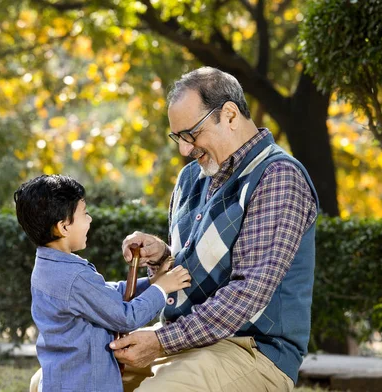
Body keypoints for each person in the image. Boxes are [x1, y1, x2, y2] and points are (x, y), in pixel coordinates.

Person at [110, 67, 319, 392]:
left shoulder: (278, 177)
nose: (184, 149)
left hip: (253, 351)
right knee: (59, 382)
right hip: (184, 347)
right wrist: (162, 256)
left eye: (191, 134)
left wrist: (160, 341)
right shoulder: (190, 178)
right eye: (178, 137)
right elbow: (191, 274)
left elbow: (247, 293)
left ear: (230, 114)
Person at [14, 174, 191, 392]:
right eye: (84, 213)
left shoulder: (49, 267)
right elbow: (126, 317)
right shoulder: (73, 276)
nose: (89, 219)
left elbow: (105, 295)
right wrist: (162, 288)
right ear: (63, 227)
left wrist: (153, 281)